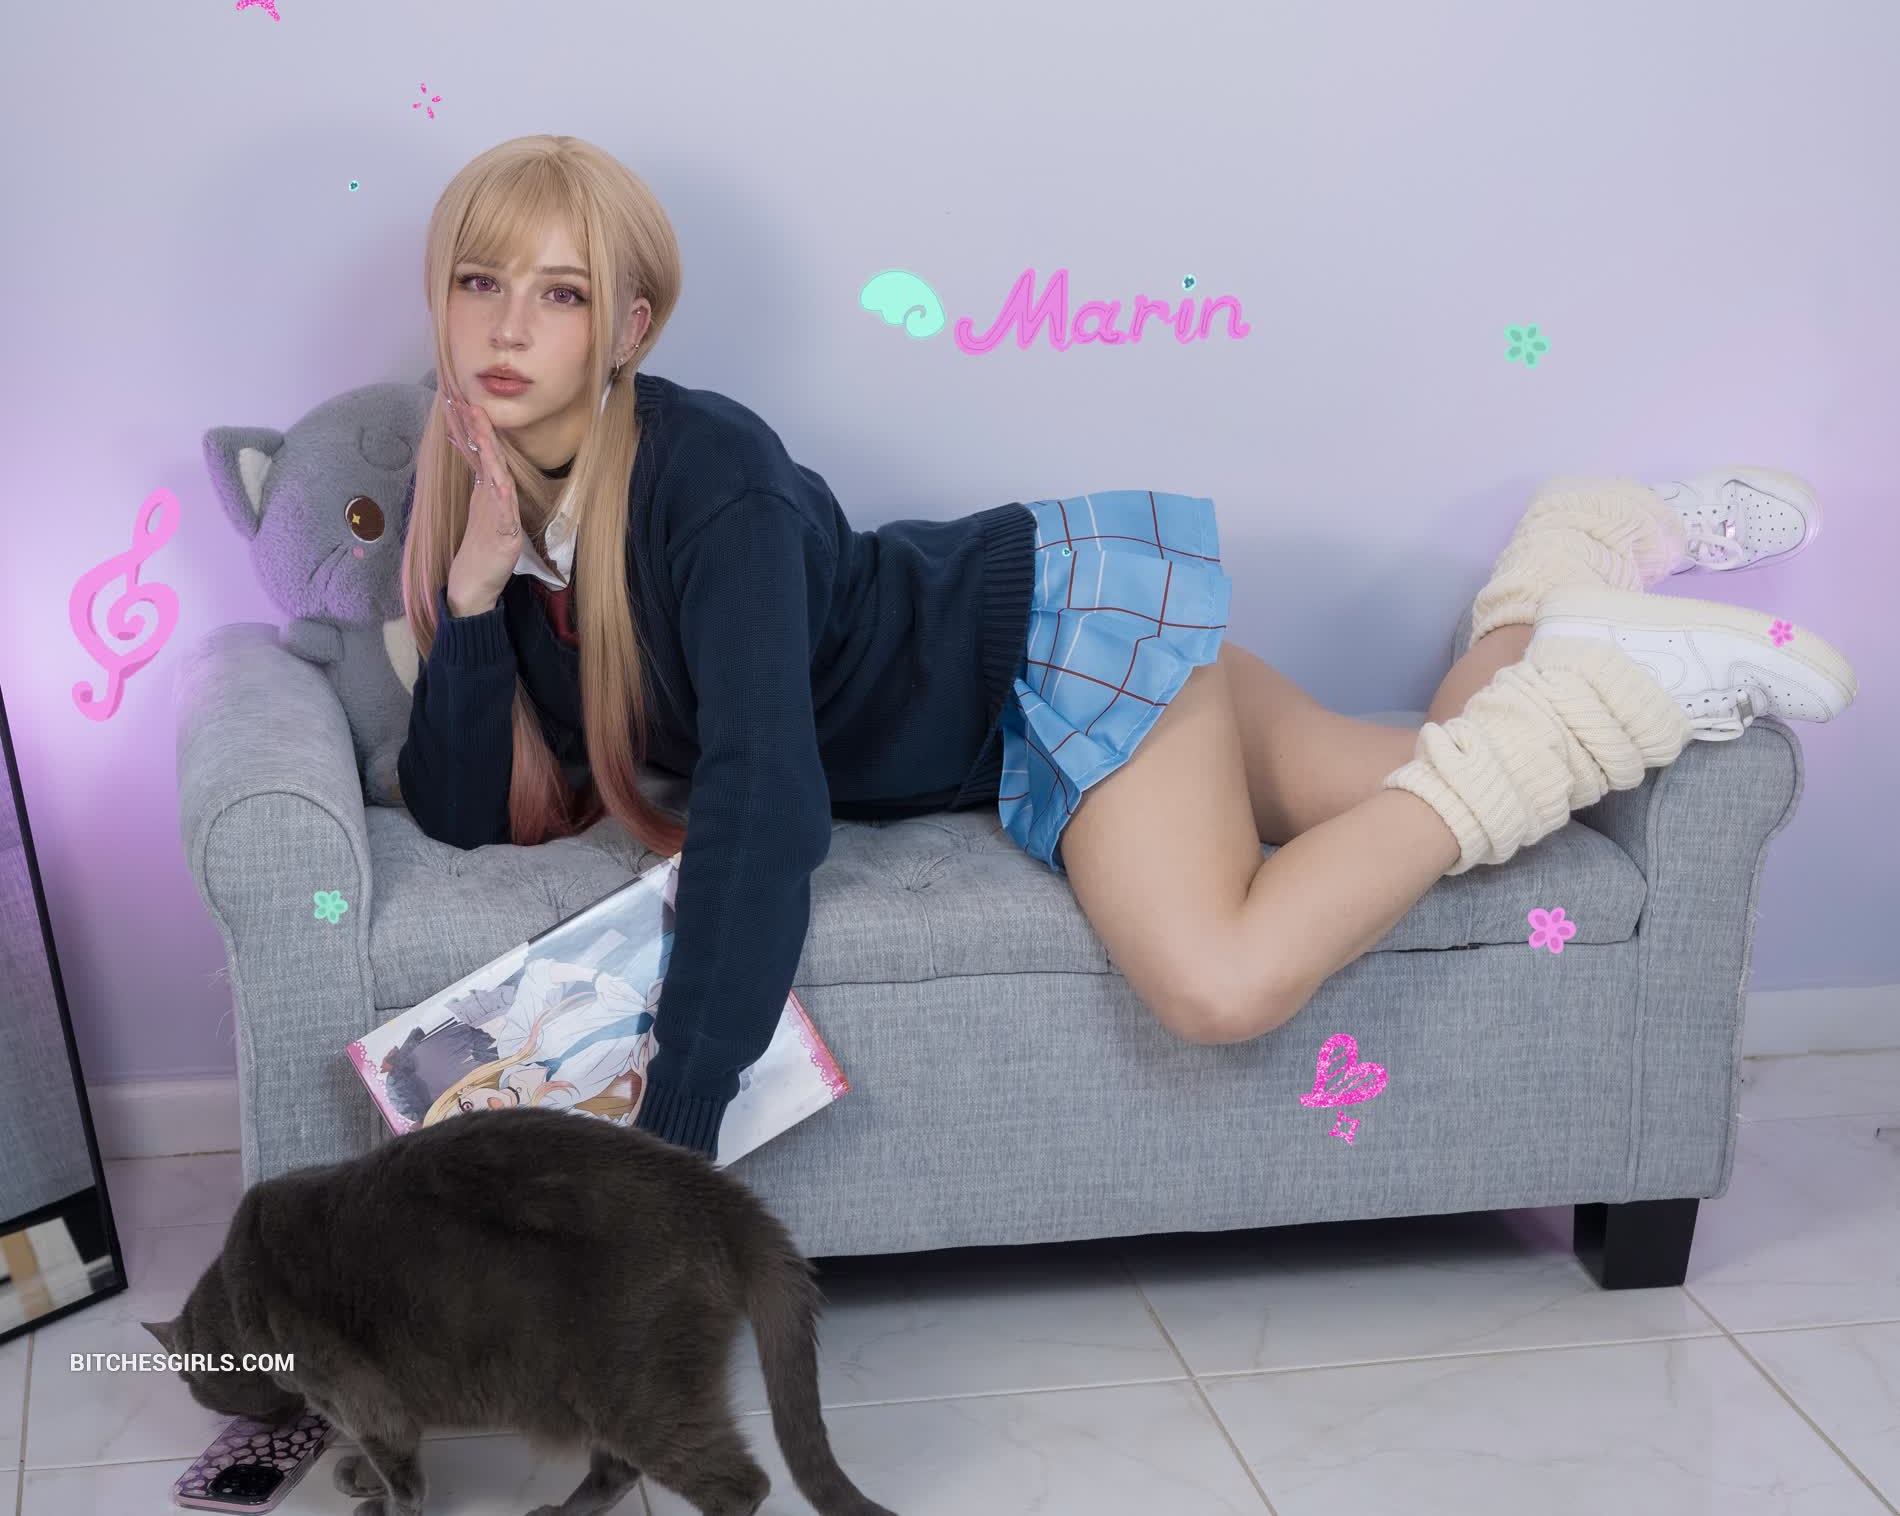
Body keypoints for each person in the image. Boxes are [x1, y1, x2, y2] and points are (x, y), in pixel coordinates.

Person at [397, 133, 1859, 1159]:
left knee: (1218, 982)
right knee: (1440, 768)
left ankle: (1606, 697)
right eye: (480, 282)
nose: (508, 328)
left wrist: (673, 1125)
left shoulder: (709, 479)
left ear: (629, 327)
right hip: (1035, 669)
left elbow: (765, 800)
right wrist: (469, 601)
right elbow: (461, 816)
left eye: (559, 292)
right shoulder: (497, 520)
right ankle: (1575, 554)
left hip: (1052, 649)